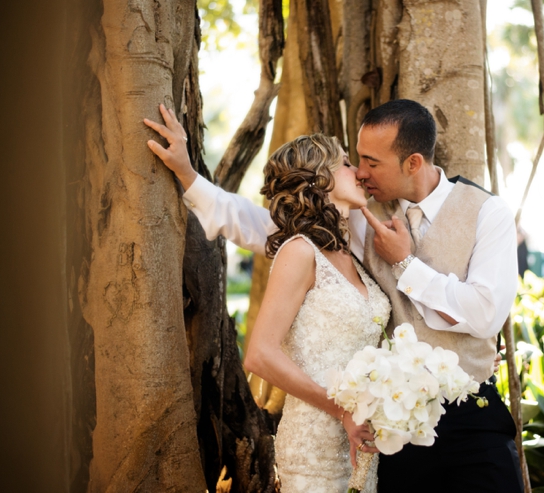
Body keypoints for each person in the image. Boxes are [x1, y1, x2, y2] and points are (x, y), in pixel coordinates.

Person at [145, 100, 522, 492]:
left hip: (473, 418)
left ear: (412, 163)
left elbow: (486, 313)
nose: (360, 172)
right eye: (355, 159)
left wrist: (406, 265)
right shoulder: (357, 215)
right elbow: (267, 226)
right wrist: (188, 176)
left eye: (371, 162)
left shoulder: (488, 213)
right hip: (392, 431)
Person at [146, 106, 387, 492]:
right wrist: (187, 173)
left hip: (358, 445)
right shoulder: (298, 249)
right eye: (345, 162)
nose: (358, 171)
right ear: (319, 179)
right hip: (315, 446)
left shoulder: (355, 252)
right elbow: (259, 355)